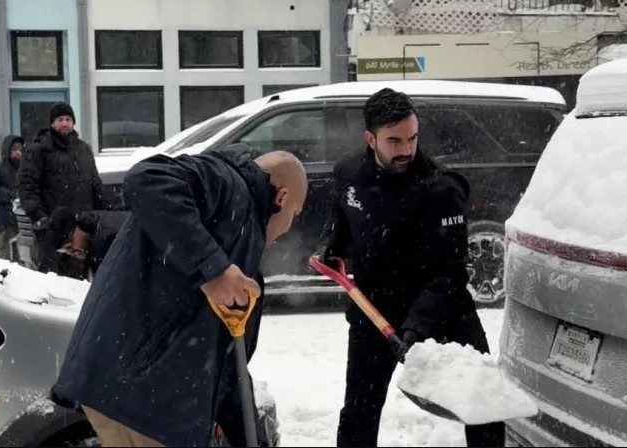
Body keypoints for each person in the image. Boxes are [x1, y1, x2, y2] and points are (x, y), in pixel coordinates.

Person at [50, 149, 308, 447]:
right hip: (140, 397)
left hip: (141, 397)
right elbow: (146, 178)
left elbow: (227, 362)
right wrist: (212, 269)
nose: (290, 227)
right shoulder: (227, 184)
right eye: (295, 215)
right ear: (283, 197)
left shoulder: (243, 239)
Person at [318, 88, 505, 447]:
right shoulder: (348, 172)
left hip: (441, 310)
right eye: (394, 141)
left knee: (483, 403)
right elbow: (342, 219)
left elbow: (449, 275)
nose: (406, 149)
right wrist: (333, 246)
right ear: (370, 138)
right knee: (359, 409)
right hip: (373, 308)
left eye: (412, 138)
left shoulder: (439, 188)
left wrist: (416, 329)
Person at [17, 102, 111, 274]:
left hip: (82, 227)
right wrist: (39, 216)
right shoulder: (39, 150)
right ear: (52, 123)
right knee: (53, 279)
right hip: (52, 229)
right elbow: (26, 186)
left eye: (68, 119)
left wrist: (103, 212)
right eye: (60, 119)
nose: (65, 123)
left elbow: (95, 183)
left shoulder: (83, 150)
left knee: (79, 278)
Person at [0, 135, 23, 260]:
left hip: (23, 221)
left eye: (20, 149)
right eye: (14, 149)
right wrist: (12, 195)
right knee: (6, 257)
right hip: (5, 220)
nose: (18, 152)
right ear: (7, 150)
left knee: (22, 258)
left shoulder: (25, 169)